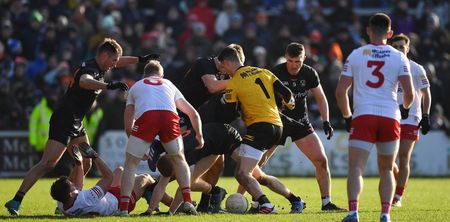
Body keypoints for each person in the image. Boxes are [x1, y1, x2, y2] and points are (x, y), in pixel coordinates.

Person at [5, 38, 157, 216]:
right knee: (48, 163)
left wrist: (140, 59)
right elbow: (84, 81)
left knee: (86, 161)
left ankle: (65, 202)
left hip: (76, 122)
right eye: (114, 60)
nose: (115, 65)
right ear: (105, 56)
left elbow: (119, 60)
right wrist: (108, 85)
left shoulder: (101, 66)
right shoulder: (89, 69)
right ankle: (16, 200)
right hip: (64, 119)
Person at [336, 13, 414, 222]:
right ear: (390, 33)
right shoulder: (399, 57)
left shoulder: (356, 54)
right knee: (387, 169)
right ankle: (385, 214)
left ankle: (353, 212)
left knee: (356, 167)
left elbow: (340, 91)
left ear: (369, 30)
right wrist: (404, 108)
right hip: (390, 117)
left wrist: (347, 116)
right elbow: (410, 93)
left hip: (364, 116)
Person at [147, 122, 305, 215]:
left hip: (226, 136)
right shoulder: (172, 153)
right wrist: (159, 212)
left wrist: (171, 212)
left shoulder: (184, 157)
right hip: (211, 146)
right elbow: (163, 182)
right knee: (191, 181)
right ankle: (217, 191)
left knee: (256, 176)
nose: (175, 176)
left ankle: (294, 199)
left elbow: (183, 187)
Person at [265, 42, 344, 211]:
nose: (294, 65)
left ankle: (326, 203)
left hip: (300, 123)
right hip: (277, 121)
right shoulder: (275, 73)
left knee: (321, 161)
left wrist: (326, 121)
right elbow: (266, 101)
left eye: (298, 61)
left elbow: (321, 97)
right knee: (256, 164)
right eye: (291, 61)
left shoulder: (309, 73)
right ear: (286, 58)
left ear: (304, 59)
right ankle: (252, 201)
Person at [119, 60, 204, 216]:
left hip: (147, 117)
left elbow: (128, 123)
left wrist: (136, 144)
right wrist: (199, 135)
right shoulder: (169, 84)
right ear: (161, 75)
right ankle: (187, 202)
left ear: (145, 74)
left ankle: (123, 208)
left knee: (131, 163)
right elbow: (193, 114)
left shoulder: (136, 86)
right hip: (169, 117)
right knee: (180, 160)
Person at [219, 45, 294, 214]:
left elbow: (229, 113)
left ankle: (266, 204)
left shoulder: (234, 82)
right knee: (253, 172)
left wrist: (224, 101)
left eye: (222, 66)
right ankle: (294, 200)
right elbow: (287, 93)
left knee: (242, 173)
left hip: (259, 127)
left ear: (227, 63)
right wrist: (289, 105)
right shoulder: (264, 71)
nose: (222, 71)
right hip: (277, 126)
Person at [178, 43, 244, 212]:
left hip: (203, 120)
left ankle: (206, 203)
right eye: (233, 67)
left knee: (217, 164)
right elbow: (212, 86)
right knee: (177, 164)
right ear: (225, 62)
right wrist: (242, 79)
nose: (231, 74)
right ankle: (155, 192)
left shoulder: (221, 75)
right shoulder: (204, 64)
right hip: (183, 118)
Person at [50, 143, 171, 216]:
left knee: (120, 170)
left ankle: (147, 192)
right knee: (146, 178)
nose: (75, 185)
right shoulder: (87, 199)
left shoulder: (62, 203)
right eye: (73, 187)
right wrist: (94, 156)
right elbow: (108, 176)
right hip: (120, 203)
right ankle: (171, 202)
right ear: (71, 194)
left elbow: (78, 187)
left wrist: (79, 163)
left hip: (109, 196)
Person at [389, 33, 431, 207]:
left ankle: (398, 197)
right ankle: (400, 183)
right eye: (396, 47)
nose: (399, 50)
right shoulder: (387, 67)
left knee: (404, 157)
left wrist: (426, 115)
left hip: (411, 118)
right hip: (391, 116)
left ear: (408, 48)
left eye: (402, 47)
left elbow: (426, 93)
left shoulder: (417, 68)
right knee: (388, 161)